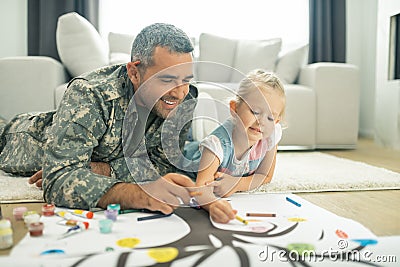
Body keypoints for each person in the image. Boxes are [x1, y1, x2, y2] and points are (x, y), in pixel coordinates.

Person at [0, 23, 198, 214]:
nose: (179, 93)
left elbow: (165, 165)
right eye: (166, 80)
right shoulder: (90, 93)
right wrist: (139, 194)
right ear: (134, 72)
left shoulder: (185, 99)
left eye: (186, 80)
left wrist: (100, 170)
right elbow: (58, 180)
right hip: (18, 139)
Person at [183, 69, 286, 223]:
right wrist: (213, 205)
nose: (261, 122)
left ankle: (203, 123)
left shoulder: (270, 135)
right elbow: (201, 188)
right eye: (255, 112)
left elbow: (265, 176)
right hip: (189, 155)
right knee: (195, 141)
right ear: (234, 108)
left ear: (276, 121)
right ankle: (199, 122)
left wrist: (237, 183)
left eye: (270, 117)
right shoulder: (216, 144)